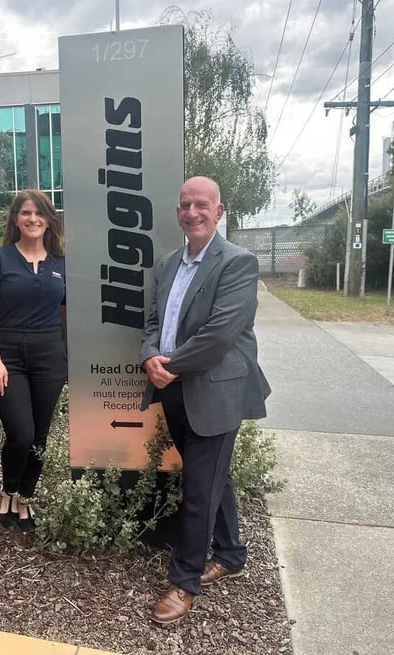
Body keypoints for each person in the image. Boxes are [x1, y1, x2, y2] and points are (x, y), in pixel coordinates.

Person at [139, 176, 272, 624]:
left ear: (218, 211)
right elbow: (154, 321)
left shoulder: (238, 262)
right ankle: (231, 554)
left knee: (198, 490)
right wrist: (149, 357)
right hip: (173, 388)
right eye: (184, 205)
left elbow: (218, 335)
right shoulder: (167, 264)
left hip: (215, 391)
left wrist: (168, 364)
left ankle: (184, 581)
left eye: (201, 205)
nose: (191, 212)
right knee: (213, 477)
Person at [0, 189, 67, 533]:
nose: (33, 219)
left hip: (49, 355)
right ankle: (9, 488)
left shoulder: (60, 263)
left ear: (49, 220)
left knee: (40, 435)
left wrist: (66, 356)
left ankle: (25, 497)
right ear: (16, 219)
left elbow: (65, 313)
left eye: (39, 213)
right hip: (9, 354)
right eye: (25, 213)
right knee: (20, 433)